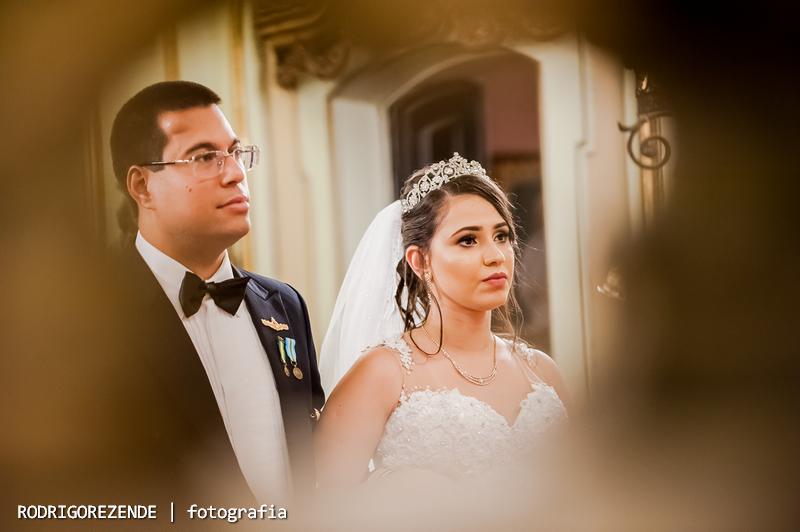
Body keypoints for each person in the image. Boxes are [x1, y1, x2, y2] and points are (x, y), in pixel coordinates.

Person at [105, 81, 324, 504]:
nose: (236, 173)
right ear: (142, 186)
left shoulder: (284, 304)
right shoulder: (92, 321)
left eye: (236, 153)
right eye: (206, 157)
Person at [314, 153, 569, 487]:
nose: (495, 256)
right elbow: (326, 510)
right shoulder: (382, 373)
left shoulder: (544, 372)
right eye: (468, 240)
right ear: (420, 261)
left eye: (502, 236)